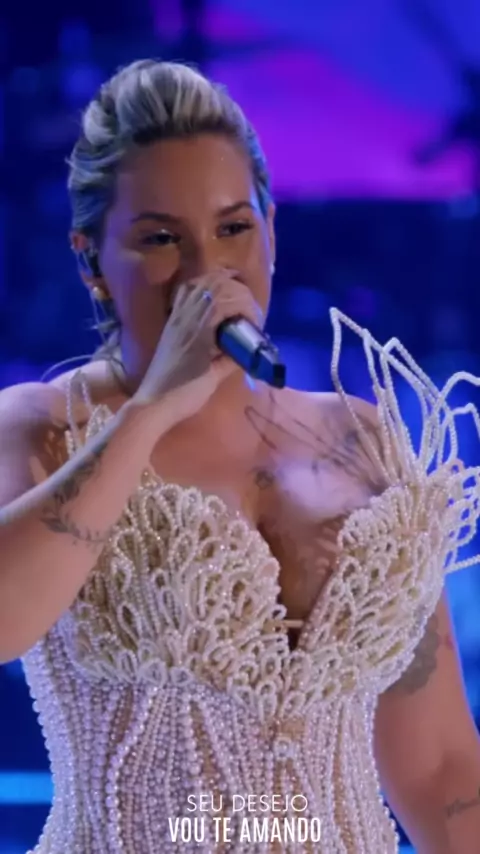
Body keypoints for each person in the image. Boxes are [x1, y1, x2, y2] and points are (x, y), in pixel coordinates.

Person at [0, 59, 480, 854]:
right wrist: (152, 411)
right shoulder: (43, 428)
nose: (207, 272)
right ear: (91, 262)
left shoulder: (361, 444)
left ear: (272, 229)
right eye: (160, 239)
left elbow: (438, 768)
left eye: (233, 228)